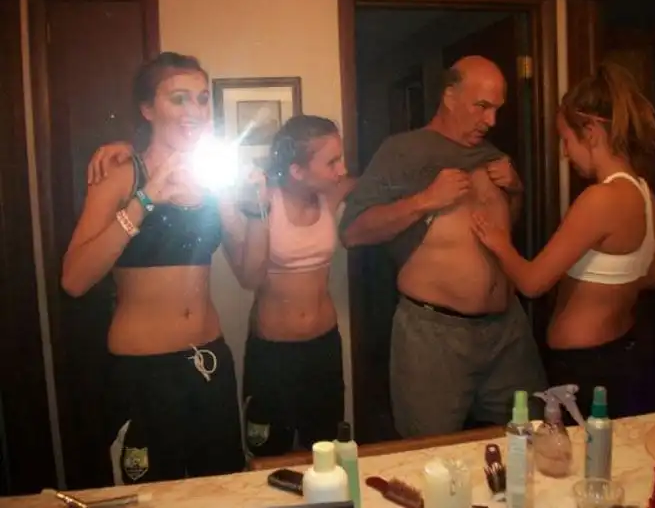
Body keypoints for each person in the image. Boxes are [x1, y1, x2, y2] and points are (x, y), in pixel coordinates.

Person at [339, 56, 547, 438]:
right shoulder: (402, 152)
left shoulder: (491, 155)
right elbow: (353, 232)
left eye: (497, 109)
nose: (491, 121)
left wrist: (516, 189)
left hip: (508, 330)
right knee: (430, 449)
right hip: (435, 335)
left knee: (532, 437)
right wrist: (425, 201)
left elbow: (504, 227)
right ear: (449, 96)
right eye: (481, 106)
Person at [62, 51, 246, 484]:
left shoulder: (214, 180)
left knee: (221, 491)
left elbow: (250, 274)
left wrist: (248, 207)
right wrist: (145, 200)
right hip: (143, 372)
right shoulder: (123, 174)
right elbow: (73, 280)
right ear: (147, 109)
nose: (194, 110)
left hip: (210, 362)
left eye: (202, 98)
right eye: (178, 98)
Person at [471, 62, 655, 419]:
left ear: (591, 132)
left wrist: (498, 242)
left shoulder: (600, 199)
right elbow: (652, 275)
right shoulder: (644, 195)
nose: (564, 152)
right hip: (622, 353)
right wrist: (603, 282)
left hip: (585, 369)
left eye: (566, 140)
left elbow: (532, 283)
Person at [232, 115, 354, 457]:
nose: (341, 169)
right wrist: (256, 211)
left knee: (326, 451)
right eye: (332, 162)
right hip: (273, 356)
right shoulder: (261, 201)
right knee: (270, 456)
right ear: (297, 170)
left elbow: (377, 180)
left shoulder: (330, 194)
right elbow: (249, 278)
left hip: (323, 349)